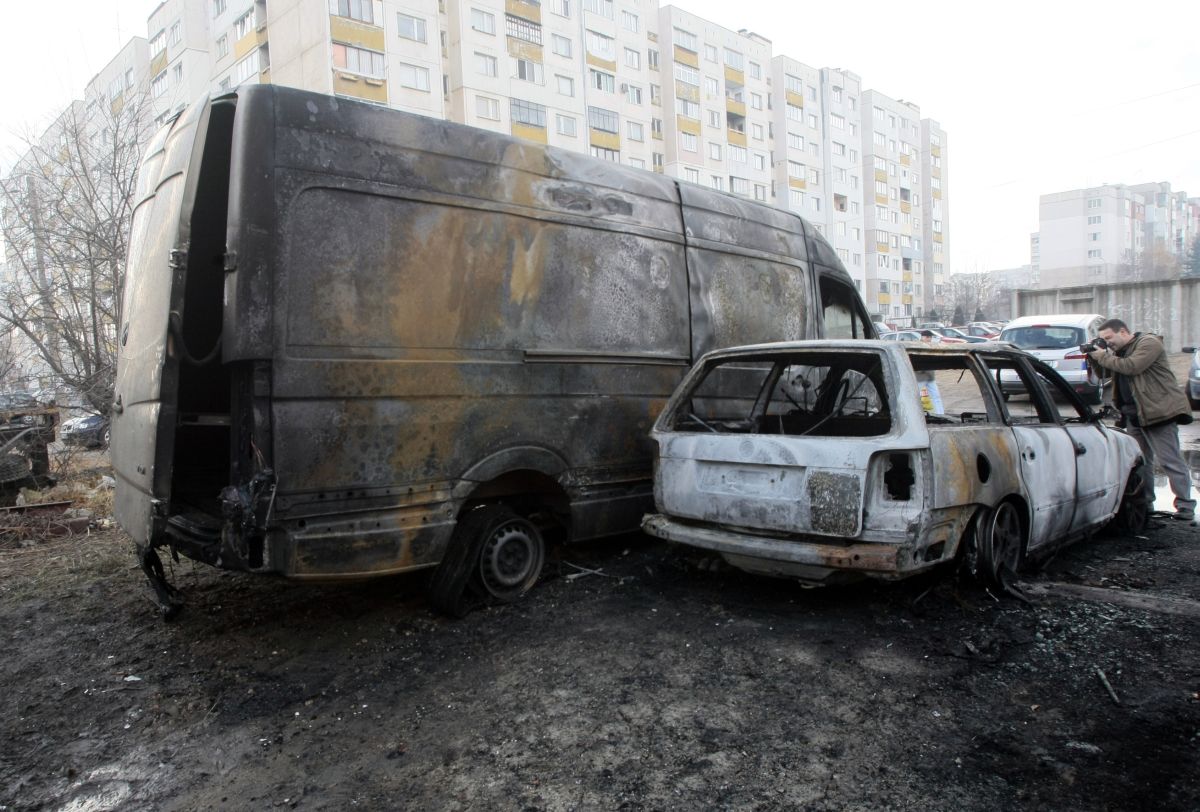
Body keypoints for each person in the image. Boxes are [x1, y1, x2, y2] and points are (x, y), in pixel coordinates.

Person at [1084, 318, 1195, 521]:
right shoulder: (1117, 353)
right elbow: (1104, 373)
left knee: (1170, 461)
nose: (1108, 342)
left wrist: (1103, 355)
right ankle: (1146, 504)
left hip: (1159, 411)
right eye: (1103, 339)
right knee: (1141, 463)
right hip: (1133, 414)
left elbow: (1131, 367)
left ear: (1124, 332)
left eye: (1109, 338)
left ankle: (1185, 506)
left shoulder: (1149, 343)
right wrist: (1093, 356)